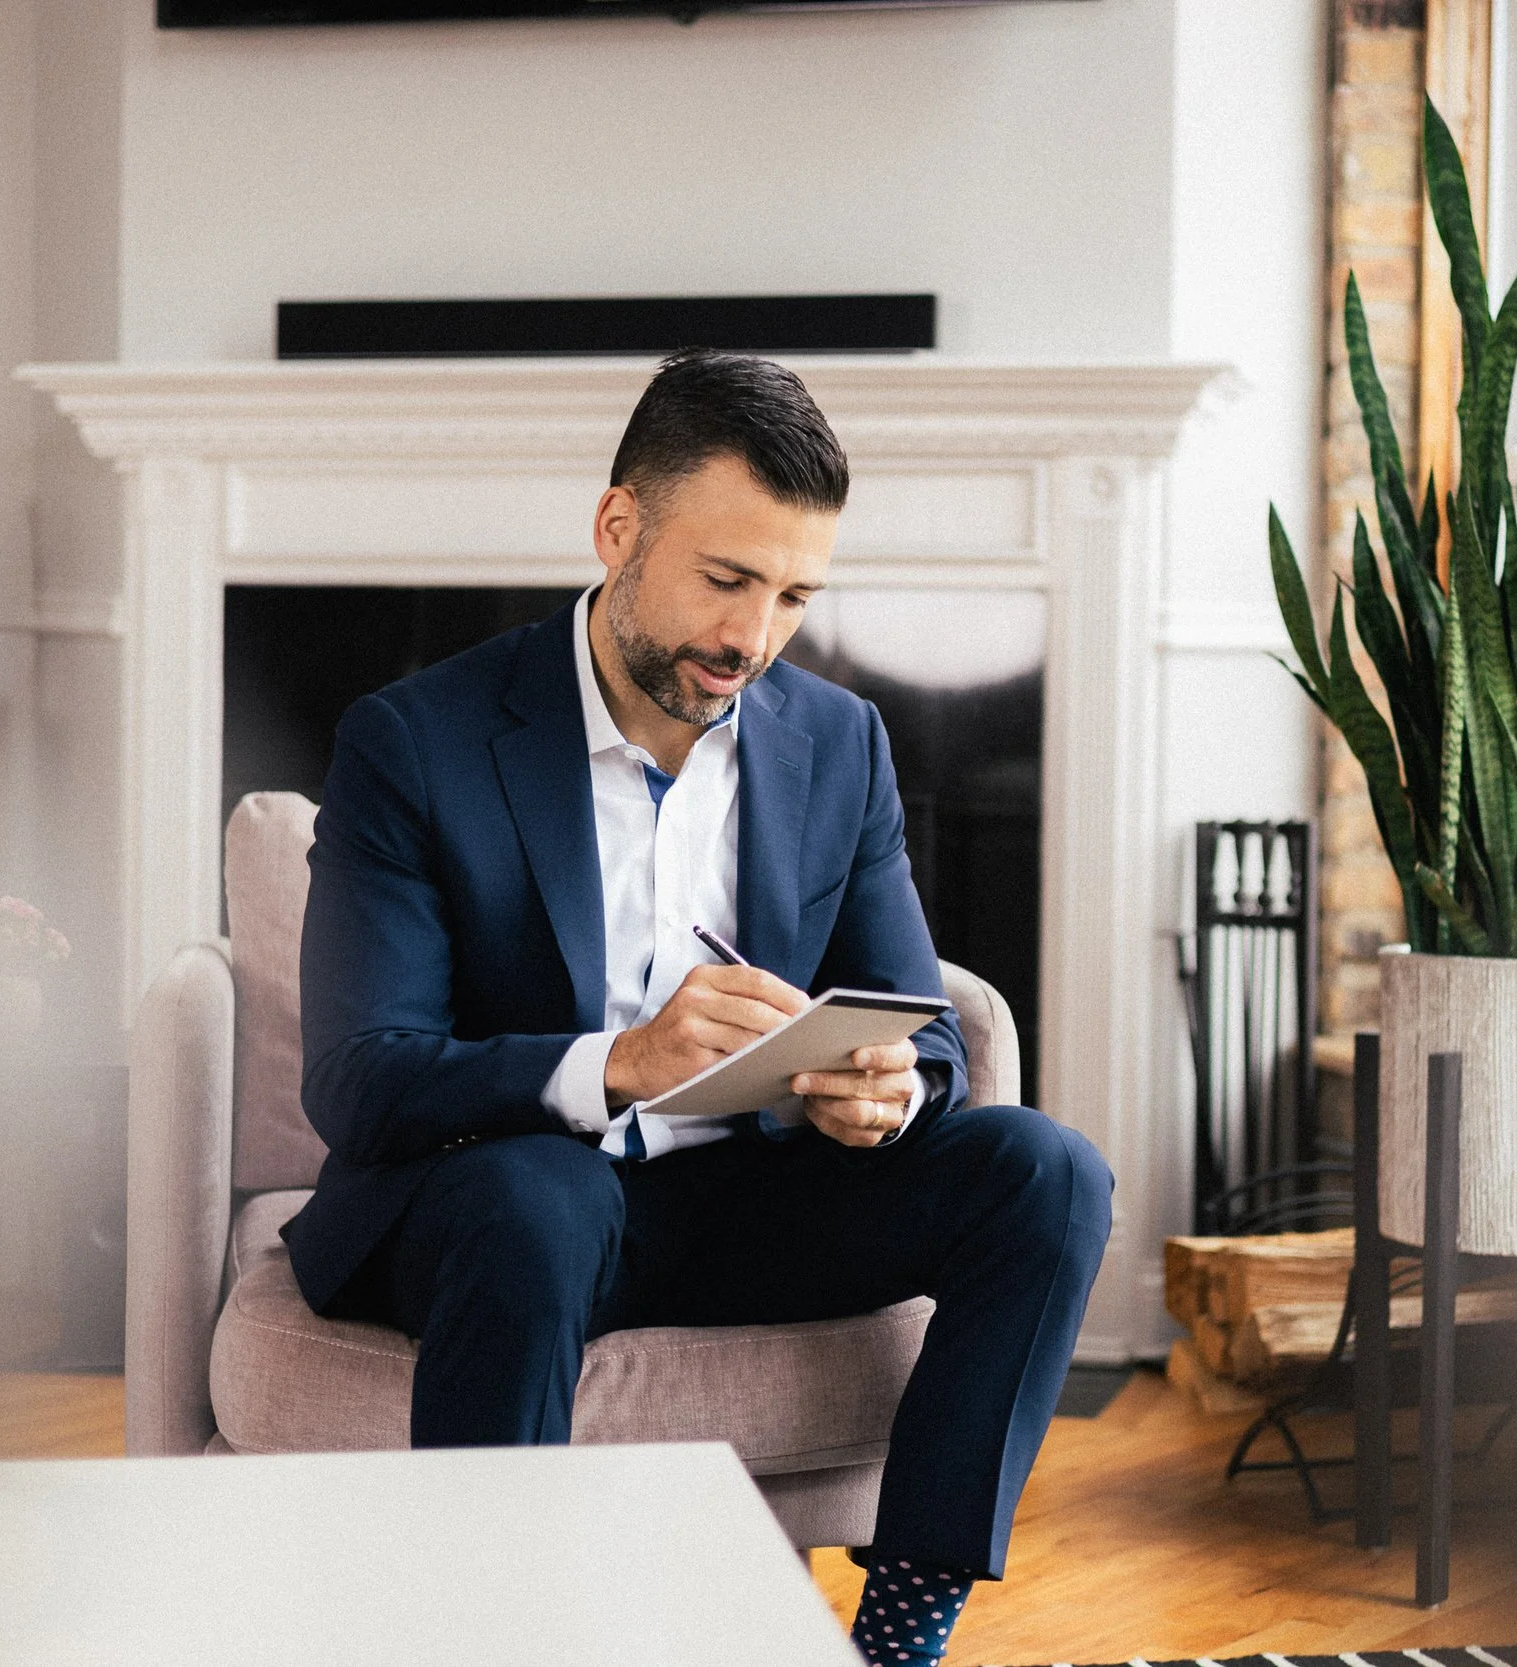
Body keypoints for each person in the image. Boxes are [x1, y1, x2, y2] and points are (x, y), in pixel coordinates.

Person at [284, 348, 1113, 1666]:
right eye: (727, 579)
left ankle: (899, 1636)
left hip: (749, 1195)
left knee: (1048, 1171)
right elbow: (362, 1075)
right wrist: (615, 1062)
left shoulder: (838, 742)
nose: (754, 637)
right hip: (509, 1206)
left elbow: (927, 1028)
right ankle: (488, 1637)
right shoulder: (418, 740)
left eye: (793, 593)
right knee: (535, 1199)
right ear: (619, 527)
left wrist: (891, 1085)